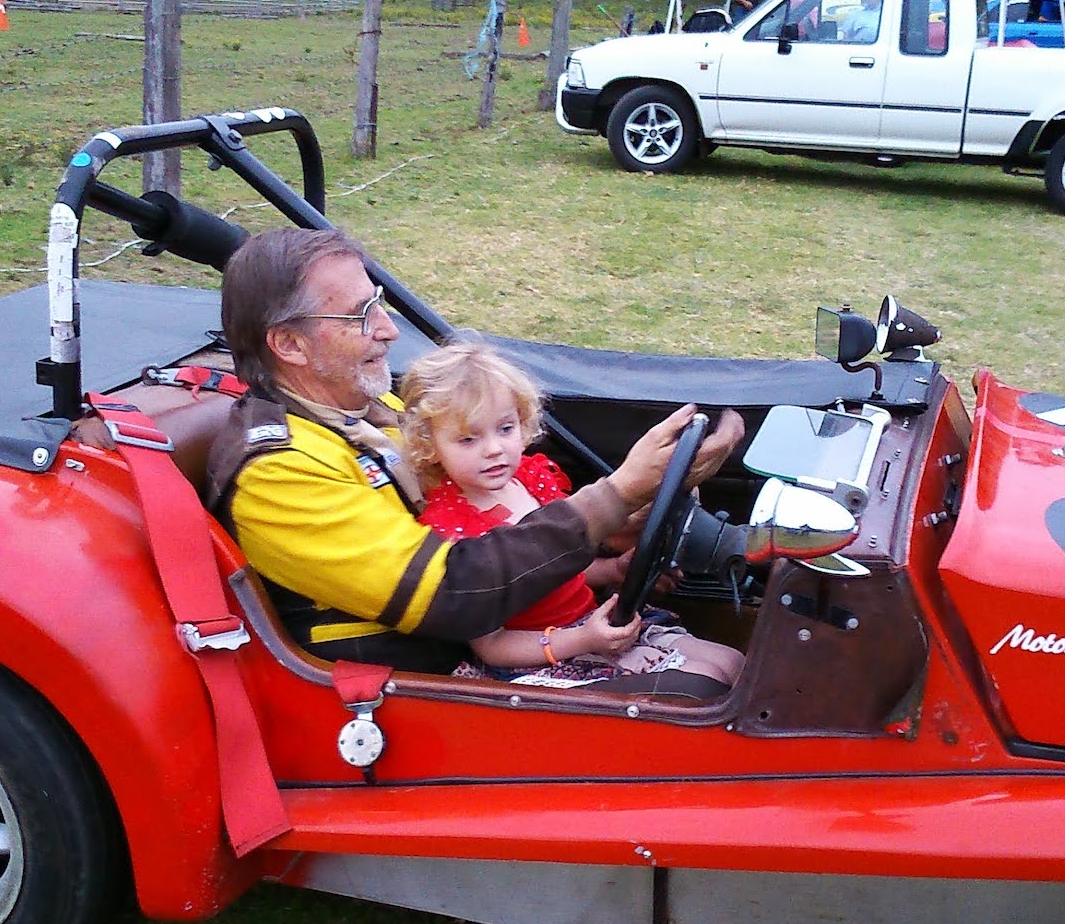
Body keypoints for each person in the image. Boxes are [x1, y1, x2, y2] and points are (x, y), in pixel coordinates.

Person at [200, 227, 745, 694]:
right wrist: (617, 493)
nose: (388, 329)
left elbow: (501, 507)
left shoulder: (370, 409)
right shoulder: (279, 473)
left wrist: (634, 513)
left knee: (742, 663)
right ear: (290, 345)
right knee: (713, 694)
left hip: (510, 632)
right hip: (426, 681)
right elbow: (453, 591)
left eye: (380, 303)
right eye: (359, 315)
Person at [399, 342, 745, 690]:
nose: (494, 449)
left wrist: (611, 570)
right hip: (544, 654)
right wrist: (583, 641)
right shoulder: (452, 533)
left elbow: (557, 566)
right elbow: (493, 648)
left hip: (592, 623)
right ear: (430, 446)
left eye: (505, 429)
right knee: (706, 684)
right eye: (468, 439)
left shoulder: (530, 480)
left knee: (735, 663)